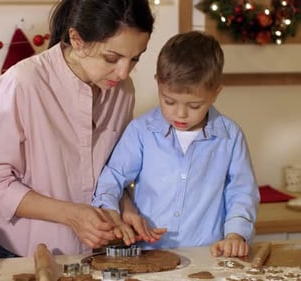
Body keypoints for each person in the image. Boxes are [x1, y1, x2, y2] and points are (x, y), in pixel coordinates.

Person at [0, 0, 156, 258]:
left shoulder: (122, 92)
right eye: (112, 58)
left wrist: (126, 208)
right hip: (18, 252)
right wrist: (71, 214)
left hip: (90, 255)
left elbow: (113, 170)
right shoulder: (22, 83)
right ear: (77, 39)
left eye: (135, 58)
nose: (124, 72)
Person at [92, 31, 260, 258]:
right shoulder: (141, 131)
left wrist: (236, 235)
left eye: (194, 105)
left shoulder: (230, 137)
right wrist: (112, 214)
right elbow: (112, 178)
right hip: (148, 254)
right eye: (168, 101)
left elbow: (241, 193)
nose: (180, 114)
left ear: (215, 93)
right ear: (158, 84)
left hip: (209, 256)